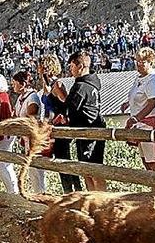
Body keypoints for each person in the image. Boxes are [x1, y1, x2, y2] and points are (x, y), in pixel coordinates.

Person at [60, 50, 107, 191]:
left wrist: (60, 94)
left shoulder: (81, 87)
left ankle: (102, 201)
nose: (70, 70)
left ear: (80, 66)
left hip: (88, 131)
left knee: (93, 170)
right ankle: (94, 200)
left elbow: (70, 108)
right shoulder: (90, 84)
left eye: (72, 66)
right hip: (88, 130)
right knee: (87, 169)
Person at [37, 54, 82, 193]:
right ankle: (69, 191)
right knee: (60, 159)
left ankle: (74, 191)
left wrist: (60, 116)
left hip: (61, 126)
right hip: (52, 126)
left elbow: (66, 104)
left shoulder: (57, 84)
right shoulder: (48, 85)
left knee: (64, 159)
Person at [121, 47, 155, 171]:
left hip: (149, 123)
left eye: (143, 62)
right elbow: (139, 96)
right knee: (146, 161)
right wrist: (128, 103)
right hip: (141, 124)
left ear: (151, 62)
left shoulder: (153, 79)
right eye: (138, 61)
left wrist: (136, 118)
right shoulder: (139, 78)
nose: (139, 64)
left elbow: (152, 102)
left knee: (154, 162)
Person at [13, 70, 46, 193]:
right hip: (25, 137)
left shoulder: (32, 97)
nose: (13, 86)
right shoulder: (20, 98)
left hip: (33, 137)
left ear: (23, 84)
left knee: (37, 170)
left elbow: (31, 115)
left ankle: (41, 195)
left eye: (15, 83)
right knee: (31, 169)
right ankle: (37, 195)